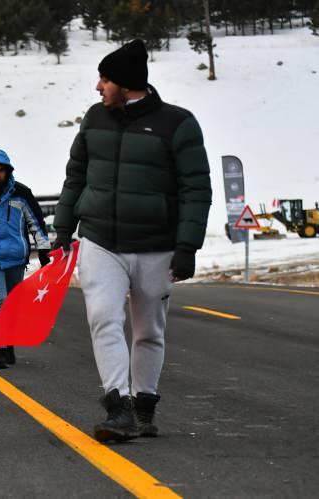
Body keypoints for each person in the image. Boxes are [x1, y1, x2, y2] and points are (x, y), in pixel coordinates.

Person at [52, 39, 212, 442]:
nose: (98, 87)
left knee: (148, 331)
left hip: (156, 245)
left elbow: (196, 189)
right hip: (101, 241)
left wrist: (187, 246)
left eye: (104, 79)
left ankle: (145, 403)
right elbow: (76, 176)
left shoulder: (178, 124)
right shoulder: (94, 119)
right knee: (103, 317)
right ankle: (117, 405)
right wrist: (62, 229)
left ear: (125, 84)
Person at [0, 148, 51, 369]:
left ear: (8, 172)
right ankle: (0, 348)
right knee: (0, 298)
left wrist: (44, 249)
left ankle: (9, 344)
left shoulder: (21, 193)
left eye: (1, 170)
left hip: (16, 258)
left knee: (12, 303)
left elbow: (36, 222)